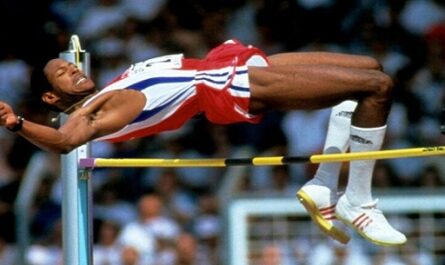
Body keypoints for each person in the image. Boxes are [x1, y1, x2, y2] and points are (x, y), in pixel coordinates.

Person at [0, 39, 406, 246]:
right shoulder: (89, 114)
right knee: (377, 87)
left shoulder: (109, 88)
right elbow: (64, 141)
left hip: (229, 66)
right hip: (232, 85)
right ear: (52, 98)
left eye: (69, 63)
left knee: (368, 71)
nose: (71, 68)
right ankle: (358, 200)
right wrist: (16, 123)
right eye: (61, 73)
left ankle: (323, 185)